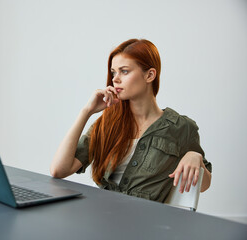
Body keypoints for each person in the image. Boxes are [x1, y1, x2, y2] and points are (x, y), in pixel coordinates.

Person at [50, 39, 212, 203]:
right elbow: (59, 170)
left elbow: (203, 185)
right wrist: (86, 111)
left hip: (146, 222)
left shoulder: (181, 127)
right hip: (101, 215)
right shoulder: (107, 123)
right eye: (113, 72)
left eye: (124, 71)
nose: (115, 79)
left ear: (149, 75)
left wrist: (195, 156)